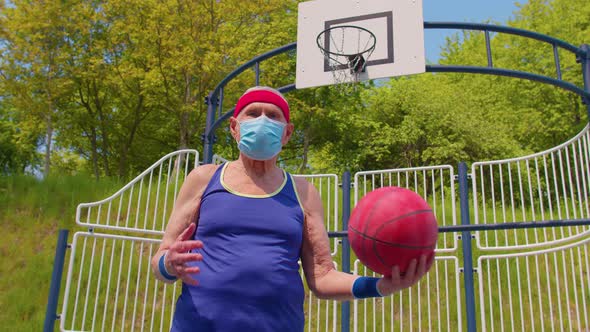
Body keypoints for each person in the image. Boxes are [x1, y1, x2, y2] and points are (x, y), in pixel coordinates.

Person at [150, 86, 434, 331]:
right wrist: (169, 264)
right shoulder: (204, 178)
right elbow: (160, 263)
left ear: (287, 133)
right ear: (235, 127)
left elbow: (322, 278)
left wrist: (381, 287)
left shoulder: (304, 192)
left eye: (273, 116)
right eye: (253, 113)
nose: (262, 120)